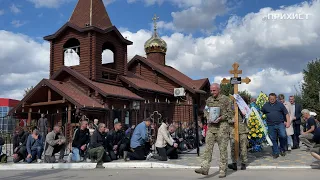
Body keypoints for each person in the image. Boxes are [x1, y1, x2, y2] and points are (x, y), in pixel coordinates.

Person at [195, 83, 232, 178]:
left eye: (214, 90)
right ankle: (204, 168)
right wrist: (208, 117)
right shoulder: (209, 100)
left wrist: (221, 118)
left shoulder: (226, 99)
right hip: (211, 127)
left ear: (219, 90)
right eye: (211, 90)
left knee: (223, 150)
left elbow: (230, 113)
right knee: (208, 148)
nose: (212, 92)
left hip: (222, 127)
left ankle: (222, 169)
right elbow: (206, 111)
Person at [261, 93, 290, 158]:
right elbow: (261, 113)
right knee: (273, 139)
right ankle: (276, 152)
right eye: (270, 99)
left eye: (273, 99)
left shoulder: (280, 105)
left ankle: (282, 149)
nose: (272, 100)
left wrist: (288, 122)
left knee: (283, 136)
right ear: (269, 98)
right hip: (270, 125)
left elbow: (286, 113)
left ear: (276, 98)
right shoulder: (265, 105)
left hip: (280, 124)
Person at [228, 95, 249, 171]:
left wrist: (244, 112)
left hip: (243, 130)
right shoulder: (231, 108)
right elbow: (227, 117)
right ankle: (234, 163)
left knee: (243, 147)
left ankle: (243, 163)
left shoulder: (244, 107)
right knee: (233, 147)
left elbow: (248, 116)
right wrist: (231, 120)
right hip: (233, 130)